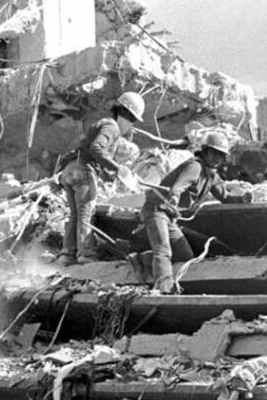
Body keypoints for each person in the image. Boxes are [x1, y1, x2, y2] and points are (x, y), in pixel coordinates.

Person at [137, 133, 253, 293]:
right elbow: (179, 186)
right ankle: (164, 290)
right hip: (157, 210)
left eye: (221, 155)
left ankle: (141, 260)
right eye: (214, 153)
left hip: (170, 218)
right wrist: (174, 197)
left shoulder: (211, 176)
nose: (217, 158)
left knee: (185, 254)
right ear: (204, 151)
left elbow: (225, 197)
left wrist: (243, 199)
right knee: (163, 250)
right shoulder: (195, 166)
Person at [58, 91, 143, 265]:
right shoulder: (111, 126)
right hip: (83, 170)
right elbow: (97, 148)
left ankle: (67, 254)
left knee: (75, 214)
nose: (131, 125)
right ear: (124, 113)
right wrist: (117, 167)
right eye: (132, 120)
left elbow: (92, 149)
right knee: (86, 213)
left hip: (70, 170)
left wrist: (109, 171)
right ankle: (85, 254)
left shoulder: (104, 124)